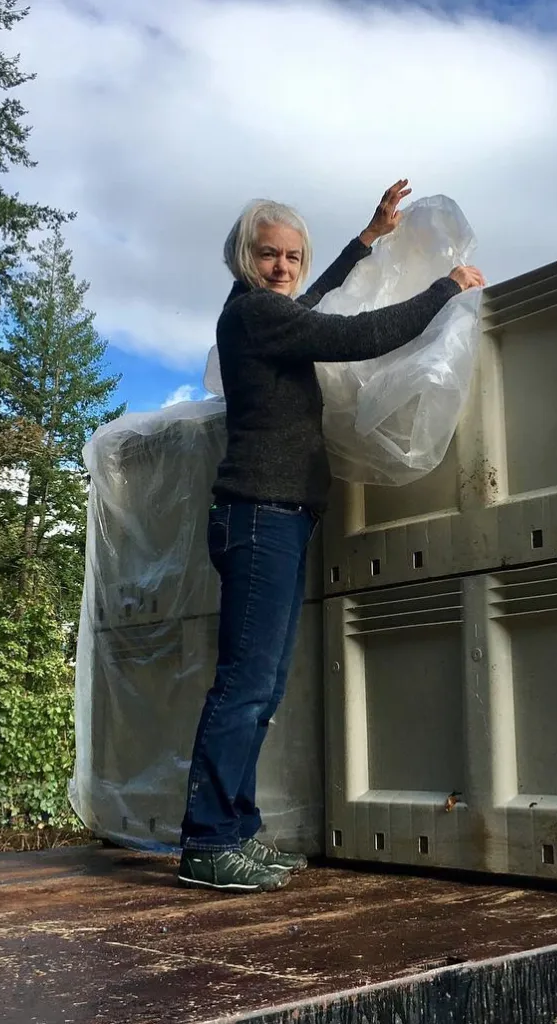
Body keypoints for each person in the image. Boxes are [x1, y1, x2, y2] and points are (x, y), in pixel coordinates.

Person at [178, 180, 485, 893]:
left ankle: (238, 829)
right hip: (261, 514)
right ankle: (207, 841)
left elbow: (313, 305)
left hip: (277, 516)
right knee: (246, 685)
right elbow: (355, 335)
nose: (283, 267)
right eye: (270, 255)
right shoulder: (255, 314)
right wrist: (446, 286)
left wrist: (369, 238)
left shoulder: (267, 313)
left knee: (265, 684)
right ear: (244, 258)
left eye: (293, 256)